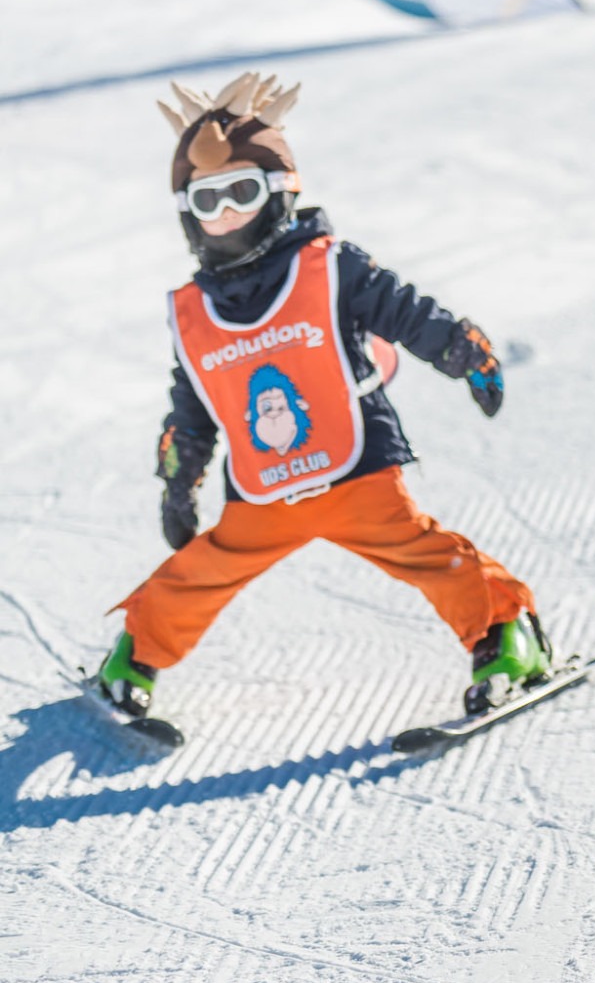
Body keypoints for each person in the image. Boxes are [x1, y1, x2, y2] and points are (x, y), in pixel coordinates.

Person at [95, 73, 551, 721]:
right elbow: (192, 405)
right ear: (185, 213)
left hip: (356, 470)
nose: (224, 212)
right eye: (206, 199)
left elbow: (404, 311)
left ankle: (507, 636)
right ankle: (134, 654)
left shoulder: (330, 266)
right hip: (265, 489)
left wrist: (460, 351)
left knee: (427, 555)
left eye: (242, 191)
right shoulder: (193, 312)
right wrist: (180, 479)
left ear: (280, 194)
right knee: (206, 570)